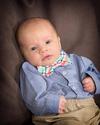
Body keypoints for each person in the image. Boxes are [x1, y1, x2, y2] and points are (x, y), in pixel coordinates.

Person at [16, 17, 100, 125]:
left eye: (47, 42)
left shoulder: (78, 61)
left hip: (90, 110)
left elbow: (96, 75)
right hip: (59, 115)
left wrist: (94, 82)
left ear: (58, 42)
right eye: (33, 48)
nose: (43, 50)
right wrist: (52, 103)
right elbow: (33, 99)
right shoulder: (31, 71)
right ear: (24, 54)